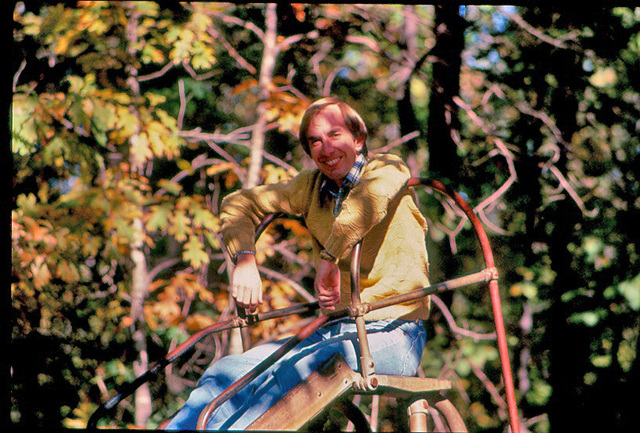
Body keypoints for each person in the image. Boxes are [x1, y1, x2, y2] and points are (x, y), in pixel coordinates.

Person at [165, 97, 431, 430]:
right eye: (315, 141)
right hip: (340, 330)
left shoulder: (388, 170)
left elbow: (365, 207)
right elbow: (239, 204)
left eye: (335, 135)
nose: (325, 148)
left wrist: (329, 257)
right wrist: (245, 260)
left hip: (395, 331)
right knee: (228, 372)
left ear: (358, 139)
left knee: (298, 369)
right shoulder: (311, 187)